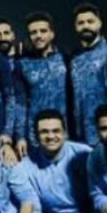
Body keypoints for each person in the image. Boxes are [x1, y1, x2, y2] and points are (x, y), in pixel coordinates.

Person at [69, 3, 107, 146]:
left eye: (90, 21)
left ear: (99, 23)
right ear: (75, 27)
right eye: (81, 23)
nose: (85, 26)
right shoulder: (73, 57)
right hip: (78, 135)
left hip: (104, 134)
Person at [13, 12, 70, 155]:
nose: (38, 35)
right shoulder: (22, 65)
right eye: (33, 32)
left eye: (43, 31)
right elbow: (20, 104)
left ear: (52, 34)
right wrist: (20, 137)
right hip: (35, 133)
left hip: (65, 130)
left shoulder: (66, 59)